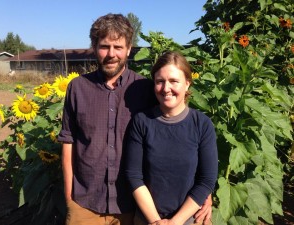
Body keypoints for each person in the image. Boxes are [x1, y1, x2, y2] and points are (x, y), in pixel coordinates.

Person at [58, 13, 213, 225]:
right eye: (104, 46)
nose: (111, 54)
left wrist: (205, 193)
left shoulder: (145, 88)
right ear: (94, 47)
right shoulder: (77, 88)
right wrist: (69, 197)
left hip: (132, 205)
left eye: (118, 47)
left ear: (129, 49)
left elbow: (179, 135)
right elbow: (68, 141)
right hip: (85, 203)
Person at [125, 51, 218, 225]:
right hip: (148, 219)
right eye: (160, 81)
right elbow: (134, 176)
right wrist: (156, 221)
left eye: (174, 81)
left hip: (190, 219)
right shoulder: (142, 122)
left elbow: (206, 180)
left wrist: (175, 222)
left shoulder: (202, 124)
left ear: (187, 84)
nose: (166, 88)